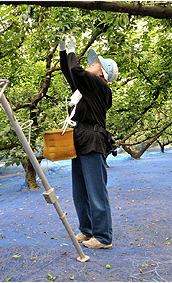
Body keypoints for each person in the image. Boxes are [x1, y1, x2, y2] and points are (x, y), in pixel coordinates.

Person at [58, 36, 118, 249]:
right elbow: (70, 73)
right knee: (80, 191)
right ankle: (87, 230)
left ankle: (103, 237)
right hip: (80, 140)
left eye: (95, 64)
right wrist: (64, 52)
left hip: (93, 140)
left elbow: (76, 71)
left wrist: (73, 51)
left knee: (95, 190)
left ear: (102, 73)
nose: (91, 65)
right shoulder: (87, 88)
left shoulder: (99, 86)